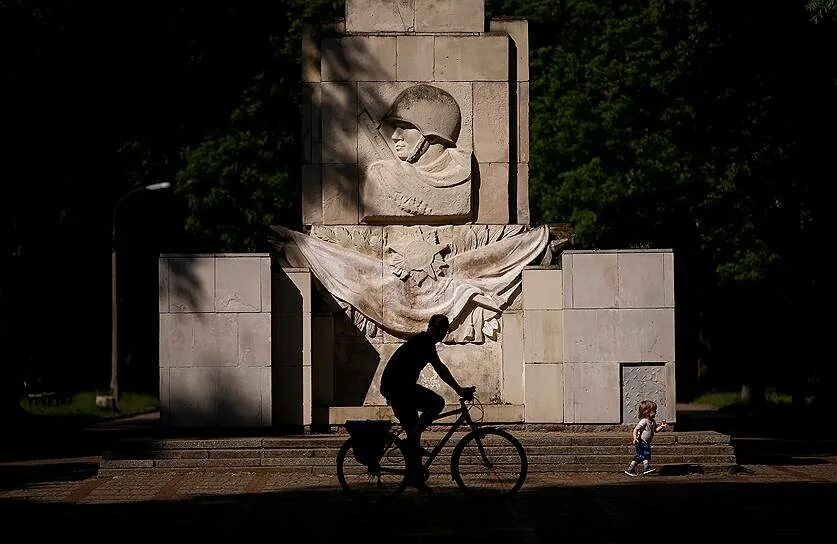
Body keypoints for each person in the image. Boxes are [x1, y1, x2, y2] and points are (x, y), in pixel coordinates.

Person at [380, 314, 475, 493]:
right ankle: (410, 443)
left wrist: (459, 389)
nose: (440, 333)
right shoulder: (423, 341)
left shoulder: (423, 341)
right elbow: (440, 368)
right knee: (437, 403)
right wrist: (459, 390)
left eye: (443, 330)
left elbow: (439, 368)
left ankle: (414, 476)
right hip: (398, 388)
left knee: (414, 434)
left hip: (400, 388)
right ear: (431, 327)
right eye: (439, 329)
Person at [624, 399, 668, 476]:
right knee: (646, 453)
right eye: (654, 411)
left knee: (639, 456)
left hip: (646, 442)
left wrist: (662, 426)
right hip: (641, 441)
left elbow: (656, 430)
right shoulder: (644, 421)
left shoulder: (653, 421)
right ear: (647, 412)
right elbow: (635, 429)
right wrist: (635, 438)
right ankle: (646, 468)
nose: (656, 413)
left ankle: (630, 469)